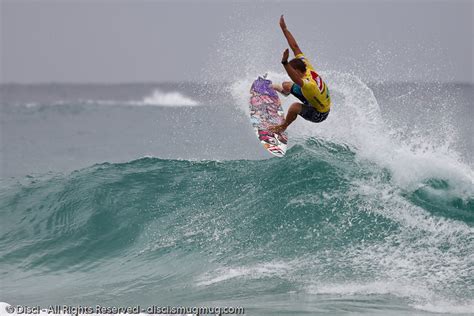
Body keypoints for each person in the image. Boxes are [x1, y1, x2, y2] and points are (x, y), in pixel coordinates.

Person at [269, 15, 331, 133]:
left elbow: (296, 79)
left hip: (320, 113)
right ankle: (285, 92)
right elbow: (295, 47)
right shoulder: (306, 66)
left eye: (292, 71)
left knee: (294, 107)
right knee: (286, 85)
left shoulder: (309, 84)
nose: (290, 73)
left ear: (297, 71)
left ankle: (283, 127)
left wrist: (284, 62)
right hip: (314, 99)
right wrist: (284, 29)